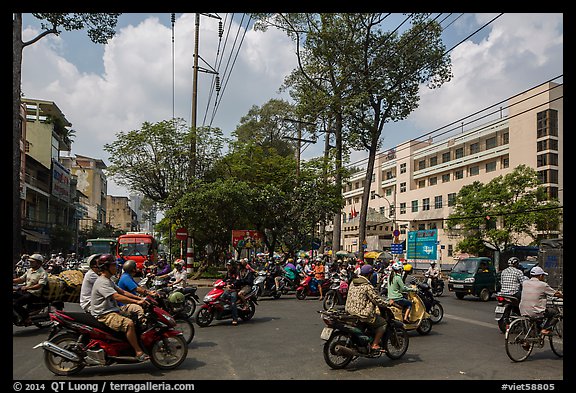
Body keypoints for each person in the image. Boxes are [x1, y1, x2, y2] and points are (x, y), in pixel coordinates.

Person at [90, 254, 149, 362]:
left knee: (135, 318)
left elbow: (122, 292)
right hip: (104, 314)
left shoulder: (109, 280)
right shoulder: (103, 282)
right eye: (113, 265)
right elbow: (116, 296)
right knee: (129, 324)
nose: (116, 267)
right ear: (106, 267)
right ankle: (138, 352)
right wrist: (137, 301)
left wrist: (139, 299)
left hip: (112, 310)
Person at [344, 264, 390, 352]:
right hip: (362, 313)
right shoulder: (367, 286)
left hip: (349, 310)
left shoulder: (353, 282)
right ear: (369, 275)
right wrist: (387, 304)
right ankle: (375, 344)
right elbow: (376, 300)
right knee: (383, 323)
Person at [519, 266, 563, 335]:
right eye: (543, 276)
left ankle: (529, 339)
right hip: (535, 312)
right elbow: (556, 294)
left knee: (536, 319)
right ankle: (545, 329)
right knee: (555, 313)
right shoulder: (543, 285)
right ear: (540, 276)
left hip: (523, 311)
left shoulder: (525, 283)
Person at [13, 253, 49, 325]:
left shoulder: (43, 273)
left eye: (32, 262)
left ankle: (27, 318)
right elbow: (21, 279)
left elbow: (40, 285)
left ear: (39, 263)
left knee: (16, 304)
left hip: (34, 294)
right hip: (25, 291)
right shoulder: (29, 270)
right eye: (30, 261)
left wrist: (27, 287)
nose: (30, 263)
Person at [221, 261, 240, 325]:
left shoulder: (237, 272)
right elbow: (224, 279)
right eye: (227, 265)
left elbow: (237, 281)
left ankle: (235, 318)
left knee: (233, 303)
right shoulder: (228, 272)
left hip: (234, 290)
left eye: (229, 265)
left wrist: (231, 285)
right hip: (228, 289)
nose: (228, 267)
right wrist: (217, 282)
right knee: (221, 298)